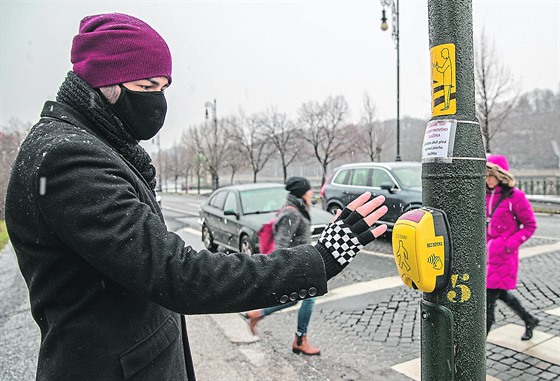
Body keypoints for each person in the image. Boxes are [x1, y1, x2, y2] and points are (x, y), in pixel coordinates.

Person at [4, 13, 389, 380]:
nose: (159, 102)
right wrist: (322, 257)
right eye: (147, 87)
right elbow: (180, 274)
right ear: (105, 84)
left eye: (164, 87)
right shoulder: (67, 157)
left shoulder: (93, 144)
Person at [244, 177, 321, 355]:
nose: (312, 193)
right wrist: (284, 270)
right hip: (297, 266)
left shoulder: (297, 209)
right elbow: (281, 245)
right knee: (309, 298)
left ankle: (259, 314)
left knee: (296, 298)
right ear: (301, 192)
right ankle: (300, 340)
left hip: (302, 263)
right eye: (309, 190)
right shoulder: (292, 213)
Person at [485, 154, 538, 340]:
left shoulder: (515, 197)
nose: (487, 179)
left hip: (503, 257)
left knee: (487, 303)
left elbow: (530, 225)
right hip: (487, 256)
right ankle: (529, 319)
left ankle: (475, 350)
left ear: (500, 175)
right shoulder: (485, 194)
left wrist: (509, 244)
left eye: (490, 175)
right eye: (485, 175)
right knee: (501, 294)